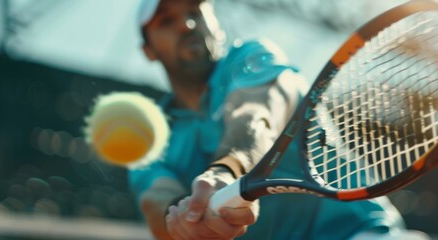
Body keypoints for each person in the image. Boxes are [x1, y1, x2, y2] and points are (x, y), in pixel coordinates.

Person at [130, 0, 415, 239]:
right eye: (166, 21)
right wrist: (184, 219)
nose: (187, 25)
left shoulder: (251, 57)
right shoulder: (149, 138)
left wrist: (228, 170)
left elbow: (254, 112)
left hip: (359, 233)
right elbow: (155, 199)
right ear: (148, 51)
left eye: (195, 13)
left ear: (215, 24)